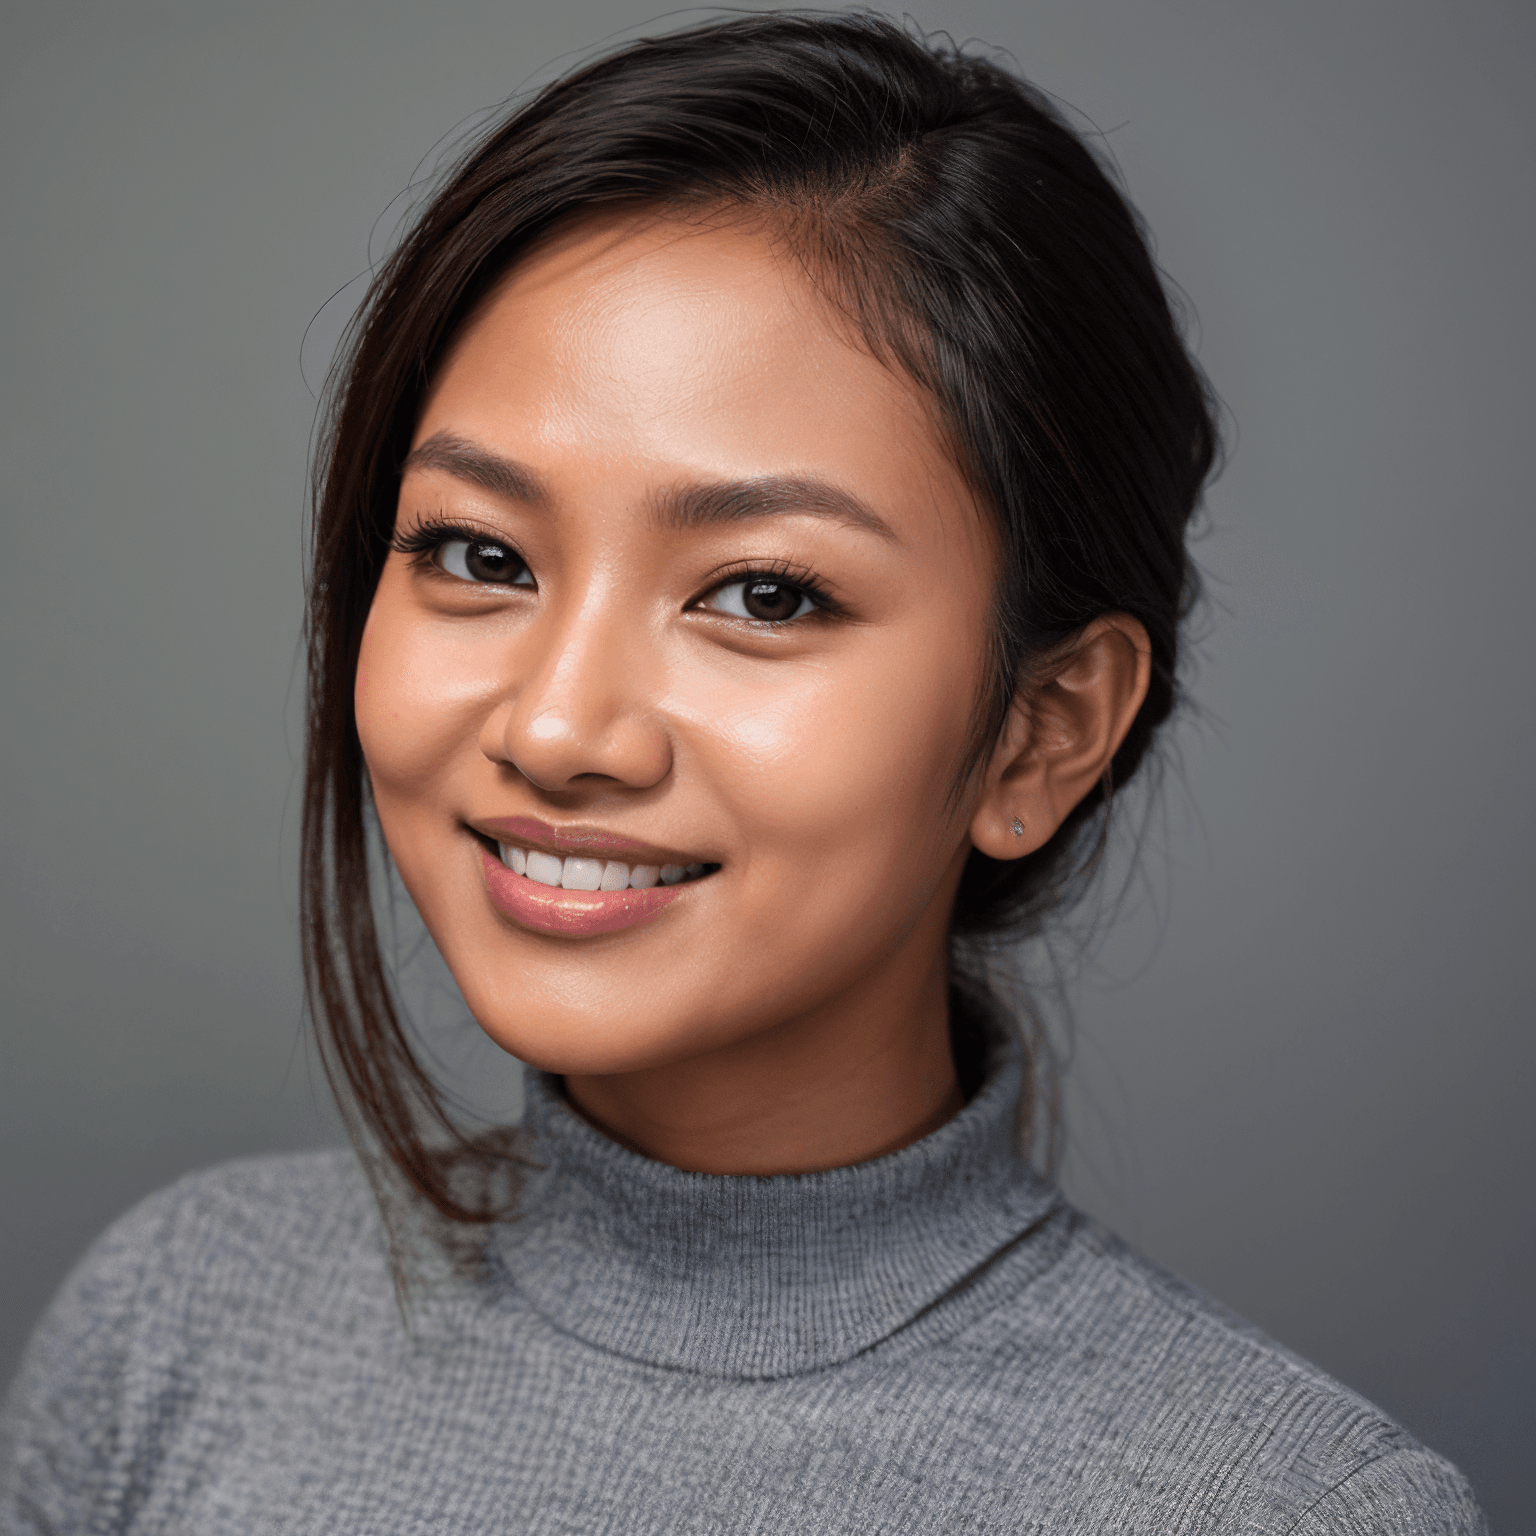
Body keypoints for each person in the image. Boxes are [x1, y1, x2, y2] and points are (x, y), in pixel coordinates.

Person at [0, 13, 1486, 1532]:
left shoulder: (1279, 1507)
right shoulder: (180, 1330)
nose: (560, 728)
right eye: (478, 554)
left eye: (765, 593)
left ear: (1045, 728)